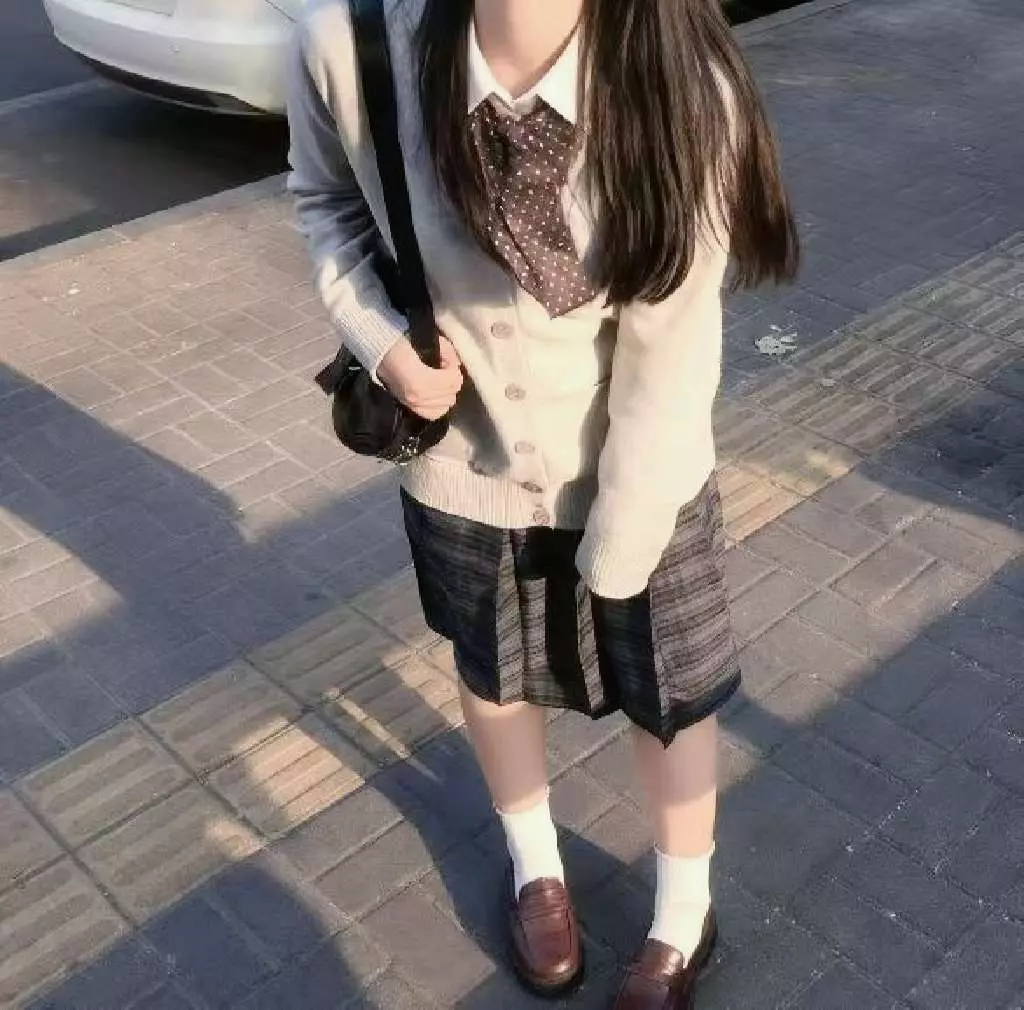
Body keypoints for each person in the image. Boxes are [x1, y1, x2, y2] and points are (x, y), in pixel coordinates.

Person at [287, 0, 798, 1005]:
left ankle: (682, 914)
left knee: (667, 694)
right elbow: (325, 202)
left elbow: (672, 347)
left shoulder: (681, 78)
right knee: (494, 670)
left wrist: (615, 557)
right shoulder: (352, 44)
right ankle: (535, 866)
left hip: (636, 464)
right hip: (465, 464)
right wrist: (382, 345)